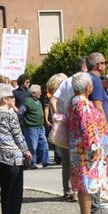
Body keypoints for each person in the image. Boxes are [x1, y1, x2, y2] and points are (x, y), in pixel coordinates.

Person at [68, 71, 108, 214]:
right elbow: (87, 128)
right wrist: (93, 148)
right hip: (85, 153)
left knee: (84, 186)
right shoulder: (82, 104)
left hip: (79, 150)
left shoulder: (74, 102)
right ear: (88, 87)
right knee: (87, 185)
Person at [0, 83, 32, 214]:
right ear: (5, 99)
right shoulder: (9, 114)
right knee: (15, 193)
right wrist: (26, 152)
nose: (14, 99)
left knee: (6, 192)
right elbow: (17, 135)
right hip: (13, 157)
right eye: (12, 97)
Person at [44, 72, 74, 200]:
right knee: (71, 160)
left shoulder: (55, 97)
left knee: (67, 161)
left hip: (61, 130)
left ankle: (68, 190)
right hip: (67, 128)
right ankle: (71, 189)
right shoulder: (62, 96)